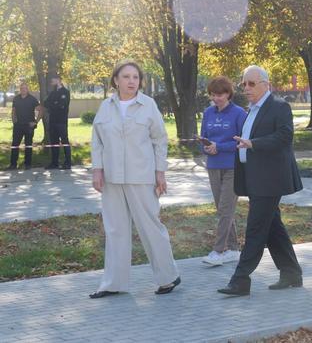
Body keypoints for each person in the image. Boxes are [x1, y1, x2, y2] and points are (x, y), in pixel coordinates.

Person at [89, 60, 180, 298]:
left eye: (136, 77)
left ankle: (168, 277)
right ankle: (113, 283)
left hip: (142, 176)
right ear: (116, 81)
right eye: (126, 77)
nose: (132, 81)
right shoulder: (105, 107)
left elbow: (160, 140)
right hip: (111, 178)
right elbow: (97, 141)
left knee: (150, 226)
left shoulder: (148, 106)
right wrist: (97, 170)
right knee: (115, 229)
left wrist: (160, 172)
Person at [217, 65, 303, 296]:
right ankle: (291, 273)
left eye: (252, 83)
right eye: (244, 84)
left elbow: (285, 136)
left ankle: (240, 280)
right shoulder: (251, 110)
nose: (246, 88)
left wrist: (254, 144)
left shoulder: (278, 106)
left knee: (256, 228)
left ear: (266, 84)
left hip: (270, 179)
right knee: (273, 227)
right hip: (255, 178)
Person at [200, 76, 247, 266]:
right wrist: (205, 147)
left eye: (220, 94)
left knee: (225, 209)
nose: (216, 98)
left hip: (233, 167)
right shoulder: (208, 113)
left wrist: (219, 146)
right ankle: (234, 250)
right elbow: (203, 138)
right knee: (223, 209)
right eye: (213, 94)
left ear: (228, 94)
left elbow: (242, 141)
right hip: (213, 166)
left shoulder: (239, 113)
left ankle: (218, 251)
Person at [9, 83, 43, 170]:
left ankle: (27, 164)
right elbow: (13, 111)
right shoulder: (16, 99)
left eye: (25, 88)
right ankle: (13, 164)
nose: (23, 90)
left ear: (28, 90)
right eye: (22, 88)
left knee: (28, 145)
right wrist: (14, 121)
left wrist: (35, 122)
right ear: (20, 89)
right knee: (15, 145)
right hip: (18, 126)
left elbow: (41, 110)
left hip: (29, 126)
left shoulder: (32, 99)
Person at [44, 75, 71, 170]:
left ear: (59, 80)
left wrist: (54, 105)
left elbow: (62, 106)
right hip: (52, 121)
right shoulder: (53, 93)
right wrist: (55, 104)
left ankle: (68, 163)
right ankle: (54, 163)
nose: (51, 81)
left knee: (65, 141)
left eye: (53, 79)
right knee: (54, 142)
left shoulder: (65, 92)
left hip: (61, 122)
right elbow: (46, 103)